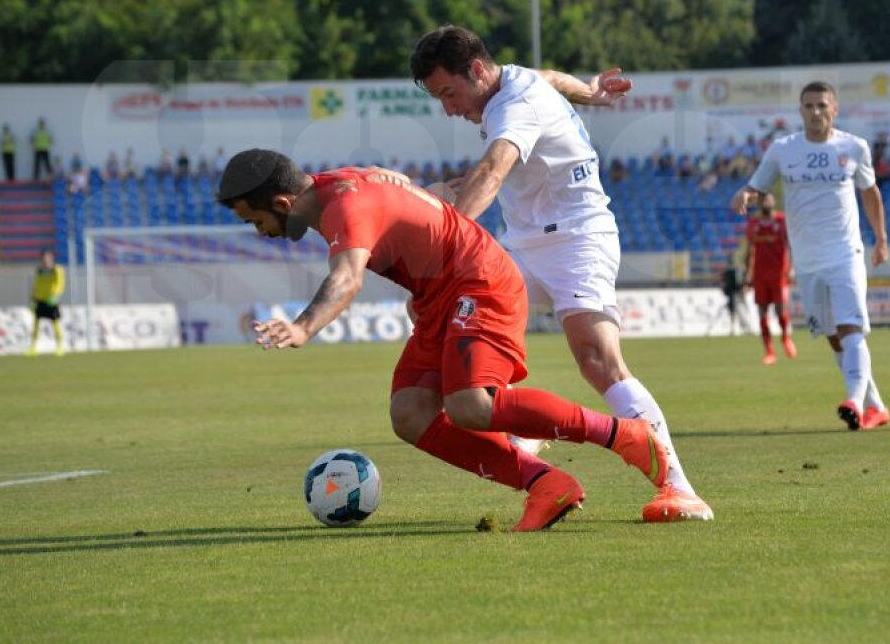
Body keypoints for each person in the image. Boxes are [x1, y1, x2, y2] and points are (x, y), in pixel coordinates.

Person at [215, 149, 670, 532]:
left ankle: (624, 434)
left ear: (280, 200)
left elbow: (348, 278)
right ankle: (546, 484)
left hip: (478, 282)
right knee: (410, 413)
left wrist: (302, 326)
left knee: (472, 404)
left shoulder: (343, 208)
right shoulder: (336, 183)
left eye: (257, 220)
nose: (262, 232)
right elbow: (401, 196)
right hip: (440, 296)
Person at [410, 25, 712, 522]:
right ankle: (530, 430)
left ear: (478, 71)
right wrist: (590, 91)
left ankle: (680, 488)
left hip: (578, 237)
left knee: (597, 359)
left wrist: (448, 248)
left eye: (449, 92)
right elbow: (551, 77)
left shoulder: (512, 107)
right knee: (455, 330)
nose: (448, 108)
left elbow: (492, 172)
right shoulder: (515, 82)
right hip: (522, 246)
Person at [730, 81, 890, 431]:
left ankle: (854, 401)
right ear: (800, 110)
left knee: (851, 327)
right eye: (809, 106)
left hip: (846, 253)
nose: (816, 112)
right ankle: (875, 404)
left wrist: (881, 238)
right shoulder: (783, 150)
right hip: (807, 260)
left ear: (835, 108)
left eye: (822, 105)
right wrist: (745, 195)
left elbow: (870, 193)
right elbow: (757, 187)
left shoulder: (854, 146)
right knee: (834, 336)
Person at [744, 193, 796, 365]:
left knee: (781, 311)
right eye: (763, 199)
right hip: (760, 275)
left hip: (779, 274)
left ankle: (785, 338)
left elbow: (791, 245)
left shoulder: (782, 221)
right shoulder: (753, 224)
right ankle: (769, 352)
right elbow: (749, 250)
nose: (766, 201)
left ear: (774, 202)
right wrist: (747, 276)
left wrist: (792, 268)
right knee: (762, 313)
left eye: (769, 198)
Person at [28, 250, 65, 356]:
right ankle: (33, 348)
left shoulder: (56, 270)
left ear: (51, 259)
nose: (45, 261)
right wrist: (32, 299)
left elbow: (60, 284)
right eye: (43, 259)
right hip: (40, 300)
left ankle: (59, 347)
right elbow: (36, 285)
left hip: (51, 300)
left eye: (47, 259)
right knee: (35, 324)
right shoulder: (39, 271)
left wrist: (55, 295)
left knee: (55, 323)